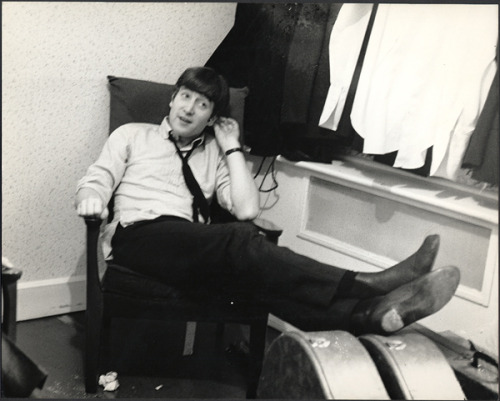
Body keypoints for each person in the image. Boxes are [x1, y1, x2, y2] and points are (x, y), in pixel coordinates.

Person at [75, 66, 460, 335]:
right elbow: (97, 178)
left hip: (190, 247)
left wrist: (231, 149)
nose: (189, 108)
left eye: (202, 104)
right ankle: (367, 284)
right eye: (185, 97)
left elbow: (246, 208)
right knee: (241, 238)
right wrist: (91, 198)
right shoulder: (132, 135)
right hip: (137, 237)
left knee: (256, 279)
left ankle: (371, 317)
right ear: (173, 99)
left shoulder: (215, 151)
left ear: (212, 118)